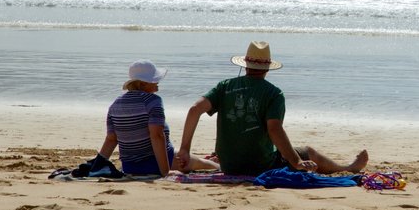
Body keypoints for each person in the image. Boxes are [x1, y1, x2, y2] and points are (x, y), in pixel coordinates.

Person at [175, 41, 368, 176]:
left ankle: (345, 166)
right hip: (260, 165)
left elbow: (194, 110)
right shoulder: (274, 93)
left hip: (229, 165)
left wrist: (185, 149)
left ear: (245, 65)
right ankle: (347, 168)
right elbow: (274, 130)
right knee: (308, 152)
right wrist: (296, 161)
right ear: (267, 68)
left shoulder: (225, 86)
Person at [97, 60, 219, 177]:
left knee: (192, 158)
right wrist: (165, 172)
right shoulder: (152, 101)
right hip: (158, 163)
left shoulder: (115, 105)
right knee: (210, 165)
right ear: (143, 83)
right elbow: (157, 135)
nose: (157, 82)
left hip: (130, 167)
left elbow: (111, 140)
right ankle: (215, 163)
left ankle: (207, 160)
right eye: (154, 80)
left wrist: (96, 167)